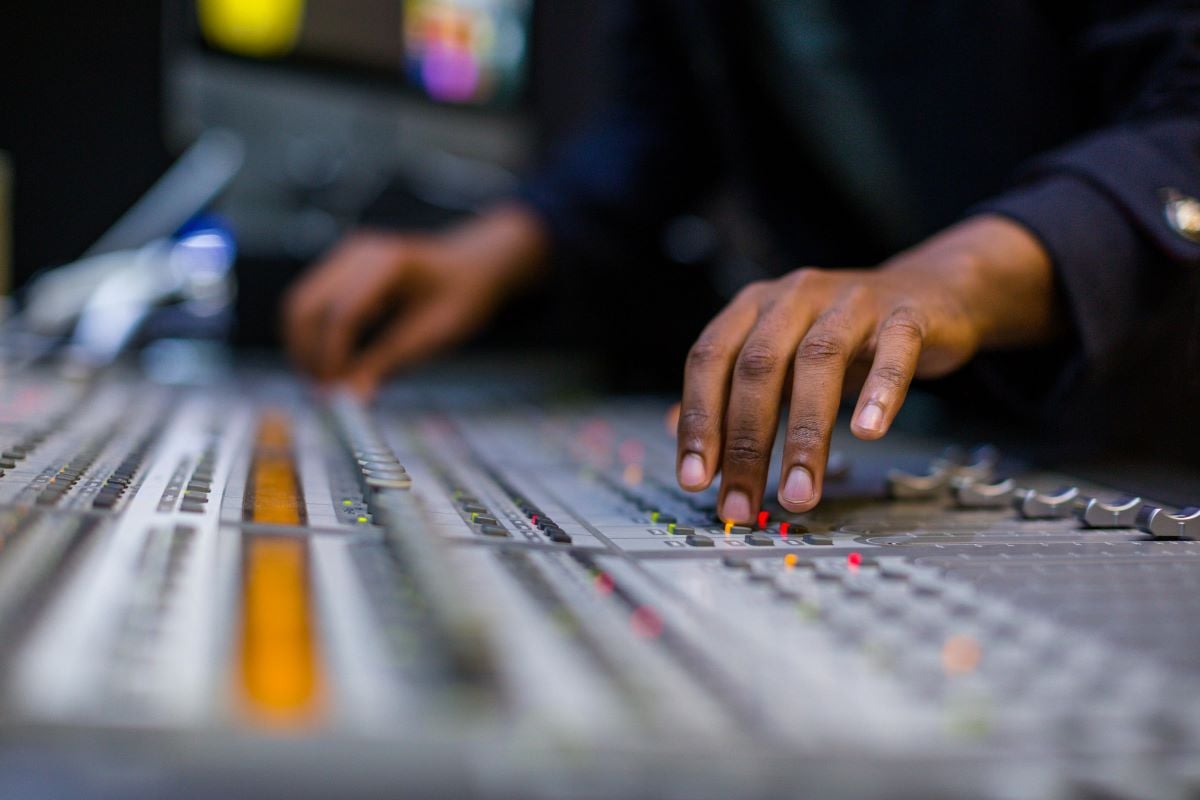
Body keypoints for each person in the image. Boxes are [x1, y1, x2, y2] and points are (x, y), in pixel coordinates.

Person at [283, 1, 1200, 524]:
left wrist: (950, 277)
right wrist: (494, 247)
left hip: (1158, 412)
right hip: (970, 434)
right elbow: (657, 123)